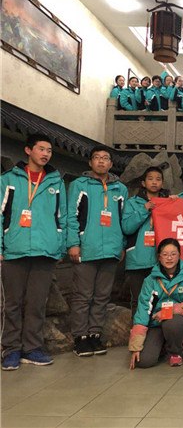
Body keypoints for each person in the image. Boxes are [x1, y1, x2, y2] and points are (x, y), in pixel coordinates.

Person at [0, 134, 66, 370]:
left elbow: (62, 217)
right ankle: (11, 349)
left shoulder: (55, 182)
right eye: (41, 149)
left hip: (44, 252)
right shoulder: (9, 180)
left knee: (37, 304)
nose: (46, 154)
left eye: (49, 150)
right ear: (28, 150)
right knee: (12, 304)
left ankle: (32, 348)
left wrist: (59, 246)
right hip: (14, 251)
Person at [67, 146, 128, 357]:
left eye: (105, 158)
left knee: (102, 296)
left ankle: (95, 334)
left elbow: (123, 220)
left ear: (111, 163)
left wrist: (121, 245)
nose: (101, 161)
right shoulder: (79, 185)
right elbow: (71, 216)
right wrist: (73, 243)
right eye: (97, 158)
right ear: (90, 162)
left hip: (111, 250)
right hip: (86, 248)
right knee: (82, 296)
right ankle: (80, 337)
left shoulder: (120, 189)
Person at [128, 238, 183, 369]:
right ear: (159, 257)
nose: (169, 258)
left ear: (179, 255)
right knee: (144, 361)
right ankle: (161, 345)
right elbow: (143, 309)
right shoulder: (150, 280)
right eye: (165, 254)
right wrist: (136, 346)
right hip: (156, 324)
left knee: (173, 322)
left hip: (180, 322)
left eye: (173, 254)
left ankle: (175, 353)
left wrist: (167, 312)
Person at [121, 167, 170, 313]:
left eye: (158, 179)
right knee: (138, 299)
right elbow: (127, 228)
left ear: (162, 183)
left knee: (162, 299)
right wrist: (144, 209)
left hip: (161, 259)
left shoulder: (167, 203)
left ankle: (158, 328)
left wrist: (173, 203)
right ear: (143, 183)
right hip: (137, 259)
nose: (154, 182)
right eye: (150, 179)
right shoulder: (132, 203)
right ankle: (137, 327)